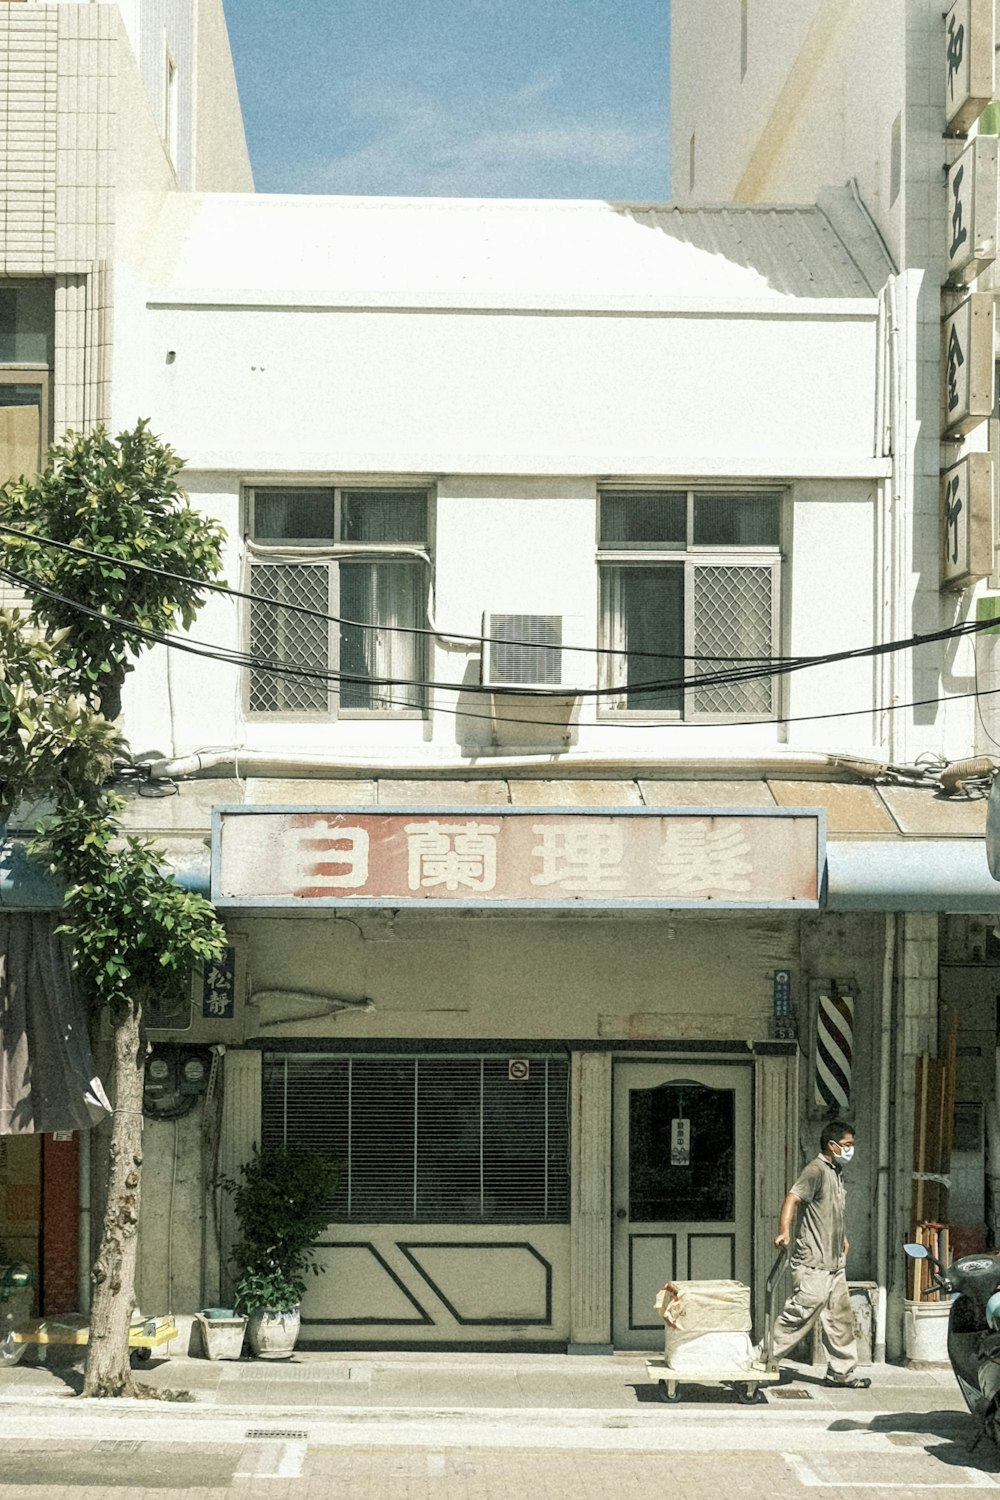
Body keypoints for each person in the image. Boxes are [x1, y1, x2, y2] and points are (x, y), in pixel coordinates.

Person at [765, 1119, 871, 1388]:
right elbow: (793, 1198)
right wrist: (784, 1231)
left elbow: (831, 1212)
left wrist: (842, 1237)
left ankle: (841, 1373)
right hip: (813, 1263)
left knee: (840, 1320)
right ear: (832, 1145)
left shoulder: (836, 1172)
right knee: (798, 1316)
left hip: (834, 1264)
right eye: (847, 1145)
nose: (850, 1150)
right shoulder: (816, 1170)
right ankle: (759, 1361)